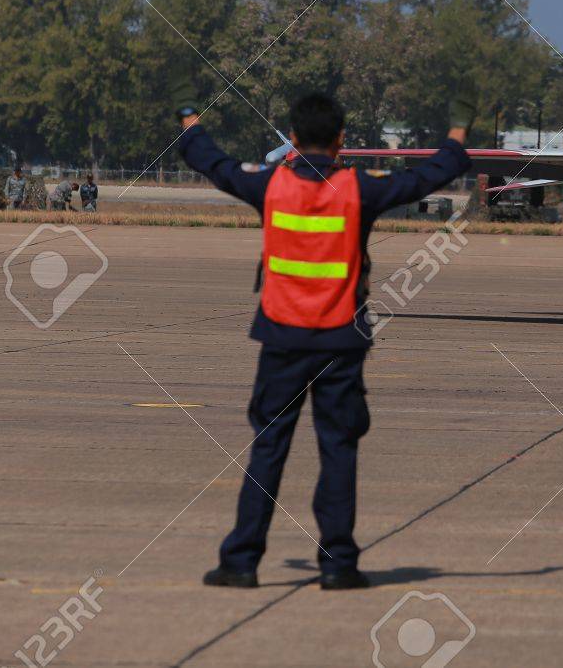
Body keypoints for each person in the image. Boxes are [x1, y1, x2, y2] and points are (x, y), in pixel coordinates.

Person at [177, 91, 474, 590]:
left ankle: (241, 561)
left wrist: (190, 121)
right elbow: (427, 177)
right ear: (341, 140)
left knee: (268, 448)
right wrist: (458, 131)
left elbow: (215, 164)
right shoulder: (360, 190)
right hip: (340, 342)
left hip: (282, 338)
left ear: (293, 139)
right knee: (338, 449)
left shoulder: (269, 185)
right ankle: (338, 564)